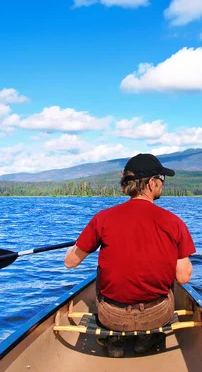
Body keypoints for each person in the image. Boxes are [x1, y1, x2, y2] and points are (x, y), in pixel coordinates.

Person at [64, 153, 195, 357]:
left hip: (111, 317)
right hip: (157, 316)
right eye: (162, 179)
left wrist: (79, 244)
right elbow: (184, 278)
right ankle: (146, 340)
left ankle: (115, 340)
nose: (163, 184)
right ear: (152, 183)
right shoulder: (174, 222)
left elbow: (70, 262)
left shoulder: (102, 219)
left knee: (100, 273)